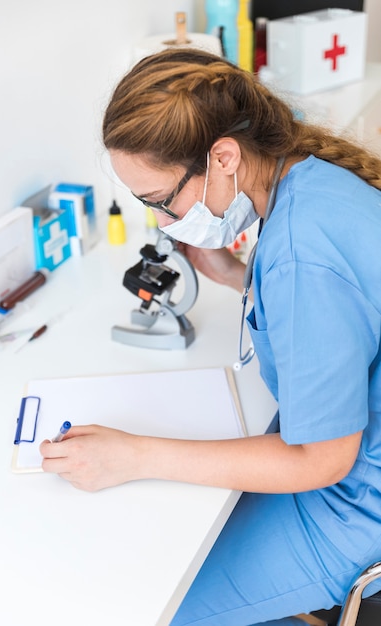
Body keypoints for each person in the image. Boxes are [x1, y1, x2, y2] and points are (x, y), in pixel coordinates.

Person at [40, 48, 381, 626]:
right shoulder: (311, 179)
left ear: (223, 156)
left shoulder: (301, 257)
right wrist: (237, 275)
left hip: (351, 507)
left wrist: (135, 454)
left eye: (161, 202)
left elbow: (322, 460)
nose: (162, 224)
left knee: (146, 604)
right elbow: (341, 302)